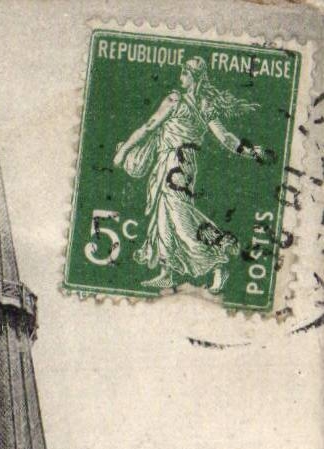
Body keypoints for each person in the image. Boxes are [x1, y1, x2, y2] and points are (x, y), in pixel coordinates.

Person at [112, 56, 266, 294]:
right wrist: (248, 152)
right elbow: (226, 138)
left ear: (194, 76)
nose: (180, 77)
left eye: (184, 73)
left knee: (178, 213)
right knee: (165, 213)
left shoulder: (175, 100)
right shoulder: (205, 106)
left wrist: (123, 151)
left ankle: (218, 260)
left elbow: (149, 126)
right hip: (185, 165)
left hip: (174, 163)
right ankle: (167, 272)